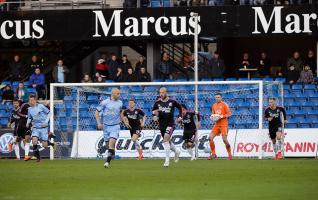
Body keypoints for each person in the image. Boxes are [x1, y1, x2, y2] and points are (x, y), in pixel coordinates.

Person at [152, 87, 182, 167]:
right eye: (160, 92)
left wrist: (180, 116)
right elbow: (153, 111)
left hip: (170, 124)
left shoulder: (172, 101)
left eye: (162, 92)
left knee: (165, 139)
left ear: (166, 93)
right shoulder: (157, 102)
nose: (161, 94)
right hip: (161, 125)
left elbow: (180, 107)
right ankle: (176, 151)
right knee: (167, 141)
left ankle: (167, 160)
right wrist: (154, 116)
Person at [95, 88, 123, 168]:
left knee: (111, 143)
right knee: (108, 145)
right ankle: (112, 154)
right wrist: (99, 123)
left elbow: (121, 112)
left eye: (119, 93)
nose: (119, 95)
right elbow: (96, 112)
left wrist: (123, 120)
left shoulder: (120, 103)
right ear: (113, 93)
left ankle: (107, 162)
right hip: (106, 126)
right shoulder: (105, 102)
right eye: (118, 94)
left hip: (115, 126)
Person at [26, 95, 50, 162]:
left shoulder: (41, 106)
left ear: (35, 100)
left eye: (32, 100)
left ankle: (51, 143)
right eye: (30, 100)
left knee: (44, 145)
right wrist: (28, 123)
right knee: (34, 141)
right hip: (36, 127)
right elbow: (29, 117)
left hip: (43, 127)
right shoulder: (29, 109)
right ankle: (38, 158)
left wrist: (45, 122)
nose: (31, 102)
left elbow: (49, 113)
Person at [209, 93, 232, 160]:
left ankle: (230, 154)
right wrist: (212, 117)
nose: (217, 98)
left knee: (224, 140)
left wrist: (221, 116)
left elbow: (229, 113)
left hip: (224, 125)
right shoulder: (214, 105)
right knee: (210, 138)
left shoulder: (224, 104)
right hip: (217, 125)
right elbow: (213, 114)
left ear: (221, 98)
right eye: (216, 97)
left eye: (218, 97)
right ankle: (213, 154)